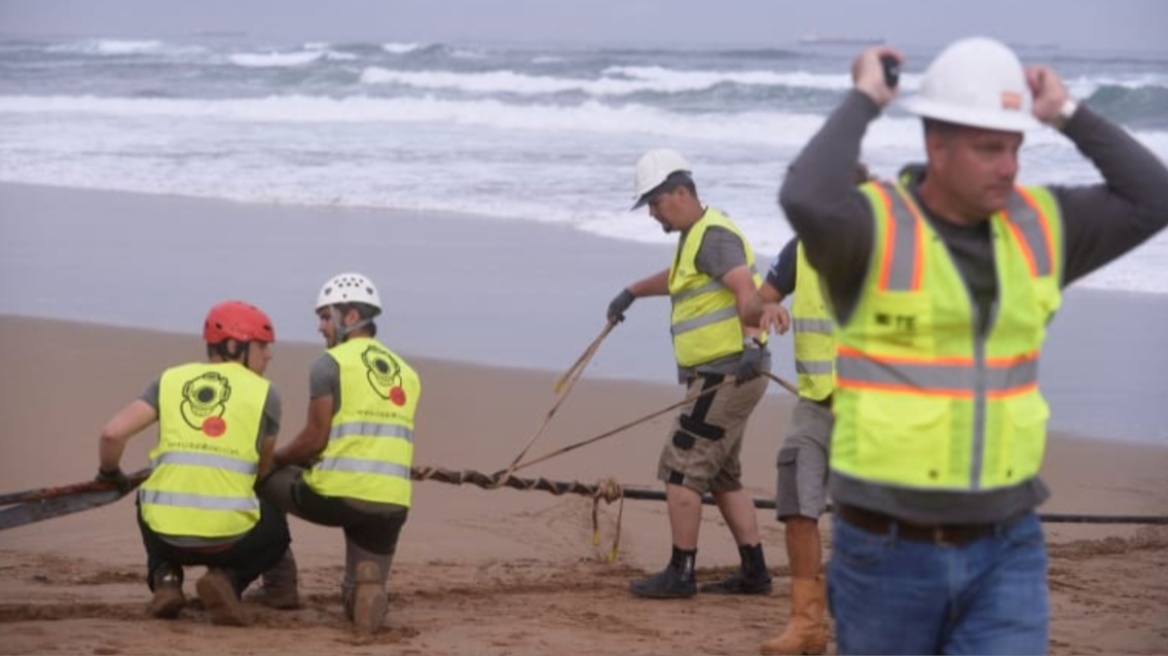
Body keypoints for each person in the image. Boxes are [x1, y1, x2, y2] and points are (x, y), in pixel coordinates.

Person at [779, 37, 1168, 655]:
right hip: (886, 553)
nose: (1009, 166)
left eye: (1015, 147)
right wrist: (866, 97)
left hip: (1006, 547)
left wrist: (1067, 115)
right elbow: (806, 197)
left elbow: (1155, 196)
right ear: (937, 145)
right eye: (990, 148)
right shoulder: (872, 229)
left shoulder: (1043, 226)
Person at [608, 148, 773, 599]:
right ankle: (755, 572)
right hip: (727, 372)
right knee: (721, 475)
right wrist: (632, 291)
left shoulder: (714, 236)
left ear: (680, 192)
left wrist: (752, 343)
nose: (653, 213)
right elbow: (680, 278)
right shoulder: (697, 237)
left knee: (681, 466)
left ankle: (681, 573)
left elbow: (745, 289)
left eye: (655, 203)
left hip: (727, 372)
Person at [95, 300, 291, 626]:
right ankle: (227, 581)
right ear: (233, 345)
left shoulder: (169, 380)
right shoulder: (266, 394)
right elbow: (262, 469)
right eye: (262, 345)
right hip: (228, 541)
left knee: (149, 494)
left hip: (166, 536)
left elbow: (112, 434)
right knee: (277, 531)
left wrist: (109, 473)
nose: (268, 355)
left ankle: (166, 580)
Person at [750, 163, 873, 656]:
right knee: (797, 506)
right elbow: (751, 304)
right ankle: (806, 626)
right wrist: (765, 309)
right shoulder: (799, 250)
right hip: (815, 402)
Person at [257, 272, 420, 635]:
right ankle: (364, 588)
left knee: (260, 482)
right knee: (355, 593)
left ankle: (279, 584)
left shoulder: (329, 364)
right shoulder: (408, 374)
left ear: (351, 317)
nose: (320, 327)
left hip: (339, 495)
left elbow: (315, 438)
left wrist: (275, 460)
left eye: (325, 317)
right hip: (392, 504)